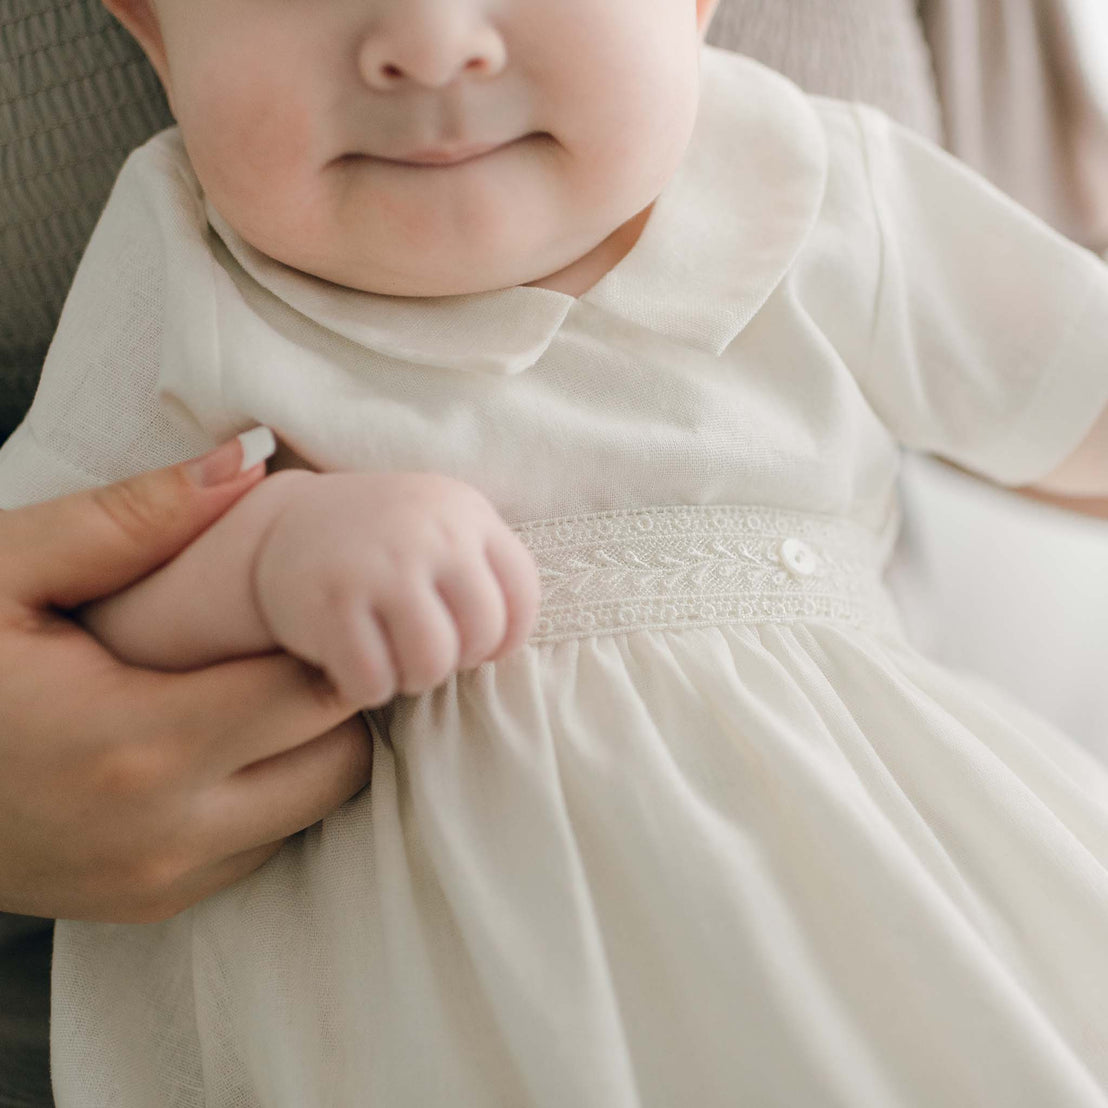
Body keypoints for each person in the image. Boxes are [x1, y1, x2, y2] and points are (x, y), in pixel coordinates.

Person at [4, 2, 1108, 1107]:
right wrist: (264, 557)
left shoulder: (800, 186)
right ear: (152, 28)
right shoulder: (182, 256)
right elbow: (61, 609)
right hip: (397, 1029)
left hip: (859, 923)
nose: (431, 44)